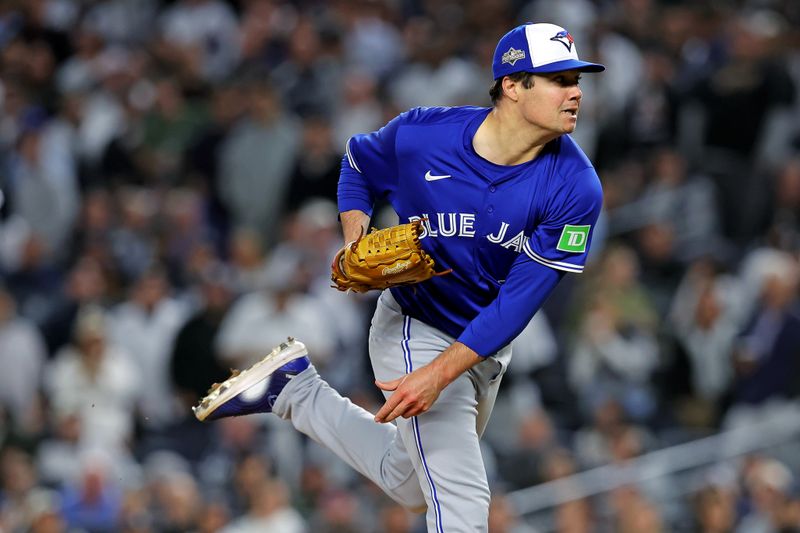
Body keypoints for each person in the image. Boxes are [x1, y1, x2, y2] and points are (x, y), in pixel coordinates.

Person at [194, 22, 605, 532]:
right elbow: (358, 163)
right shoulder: (424, 135)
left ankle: (294, 389)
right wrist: (354, 241)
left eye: (577, 79)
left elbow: (517, 304)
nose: (576, 92)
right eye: (559, 78)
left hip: (482, 345)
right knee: (462, 500)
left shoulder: (575, 187)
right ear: (512, 85)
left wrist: (440, 375)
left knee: (410, 482)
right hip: (415, 324)